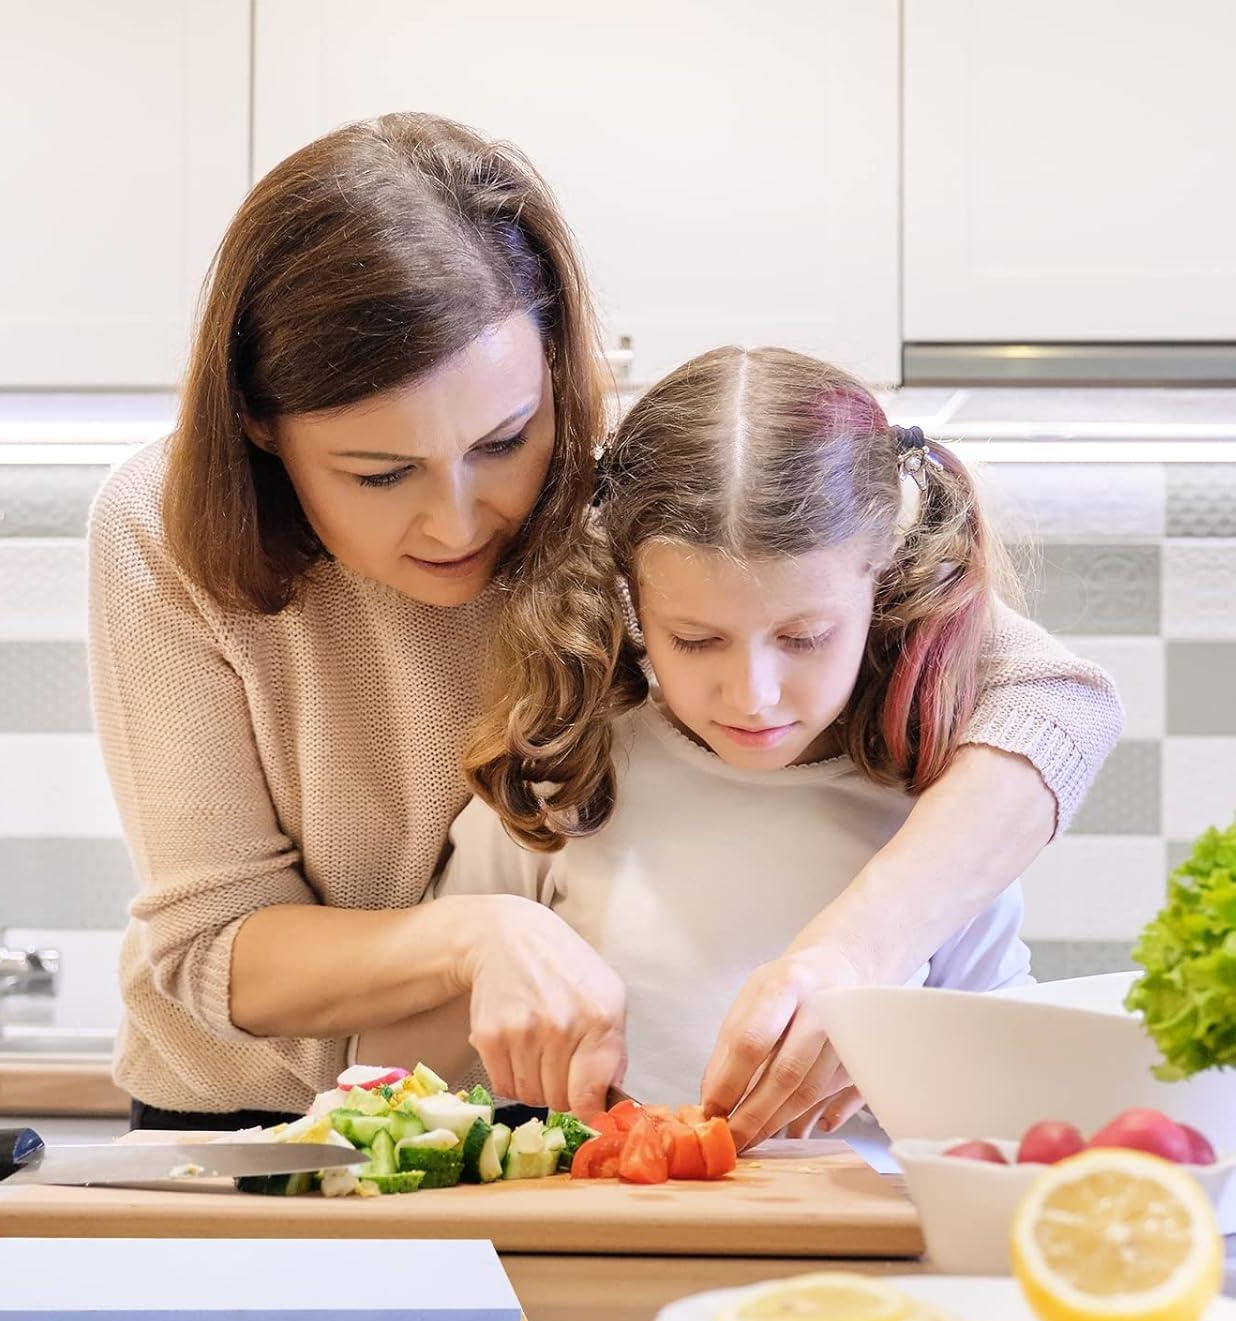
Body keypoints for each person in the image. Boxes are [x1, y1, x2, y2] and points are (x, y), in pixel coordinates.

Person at [86, 113, 1122, 1134]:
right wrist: (473, 940)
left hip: (490, 1111)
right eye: (381, 473)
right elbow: (210, 944)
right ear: (260, 428)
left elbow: (1053, 706)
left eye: (504, 440)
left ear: (555, 365)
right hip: (246, 1113)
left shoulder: (636, 495)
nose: (459, 522)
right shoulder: (160, 529)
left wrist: (864, 948)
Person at [433, 345, 1034, 1146]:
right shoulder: (561, 777)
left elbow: (1006, 1079)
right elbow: (429, 1058)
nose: (752, 694)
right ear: (629, 593)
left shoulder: (946, 810)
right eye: (697, 640)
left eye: (804, 638)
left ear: (881, 579)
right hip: (601, 1214)